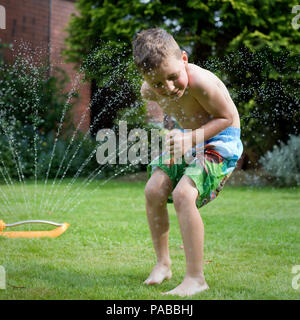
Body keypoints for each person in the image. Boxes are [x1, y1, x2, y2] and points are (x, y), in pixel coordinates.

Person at [132, 28, 243, 297]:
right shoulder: (150, 90)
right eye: (158, 83)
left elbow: (227, 118)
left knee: (183, 194)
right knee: (153, 190)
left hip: (220, 140)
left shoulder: (202, 83)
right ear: (146, 78)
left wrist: (191, 137)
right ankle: (163, 264)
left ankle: (196, 278)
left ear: (183, 58)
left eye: (173, 77)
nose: (168, 88)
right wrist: (174, 131)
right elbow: (173, 110)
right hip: (188, 139)